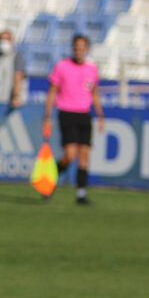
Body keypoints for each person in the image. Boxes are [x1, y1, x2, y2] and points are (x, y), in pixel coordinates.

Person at [42, 34, 105, 205]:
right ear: (72, 48)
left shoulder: (92, 69)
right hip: (67, 113)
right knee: (70, 155)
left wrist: (100, 116)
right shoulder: (62, 67)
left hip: (84, 114)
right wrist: (47, 116)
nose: (79, 51)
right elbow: (53, 92)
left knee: (84, 154)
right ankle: (50, 178)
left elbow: (94, 93)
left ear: (87, 49)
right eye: (76, 47)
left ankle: (81, 194)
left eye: (82, 48)